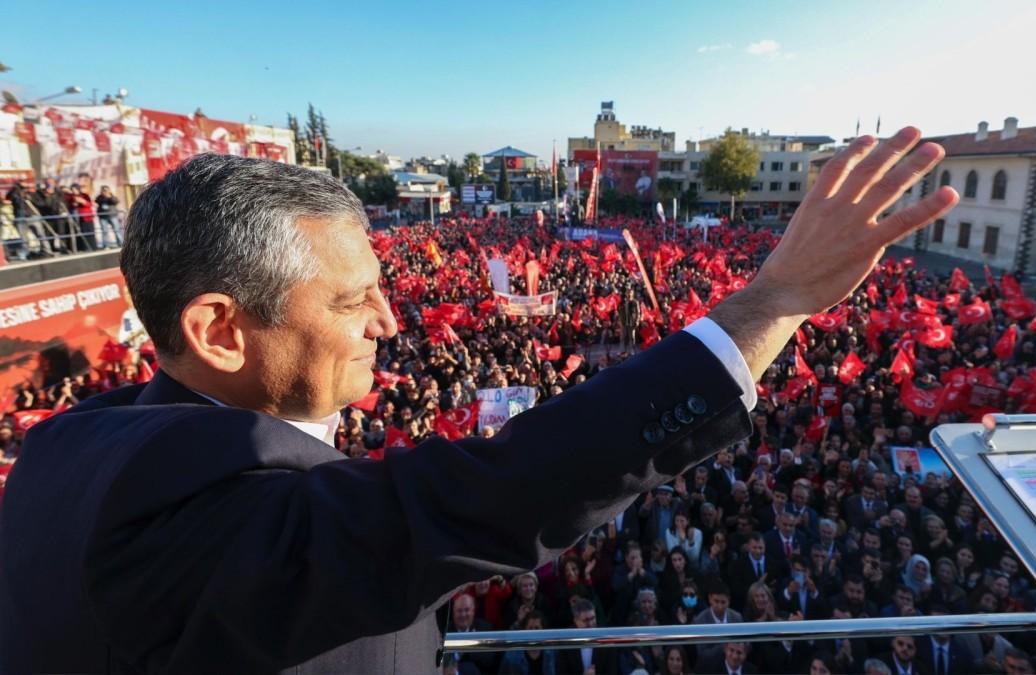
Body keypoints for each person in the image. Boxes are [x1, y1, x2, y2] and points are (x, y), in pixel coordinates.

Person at [0, 129, 958, 672]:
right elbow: (502, 488)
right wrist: (773, 300)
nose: (389, 318)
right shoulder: (189, 503)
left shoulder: (72, 446)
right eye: (350, 298)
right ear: (218, 329)